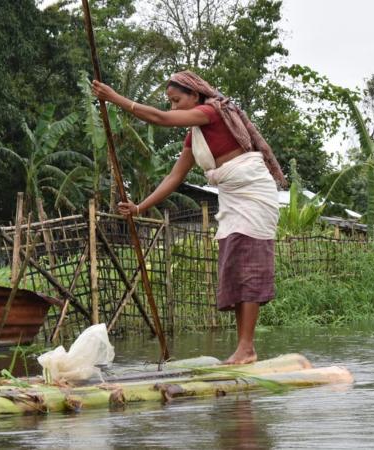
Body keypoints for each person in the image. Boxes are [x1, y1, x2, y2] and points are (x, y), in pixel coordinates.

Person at [91, 70, 287, 365]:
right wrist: (139, 207)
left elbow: (160, 119)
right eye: (169, 102)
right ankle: (243, 347)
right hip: (232, 198)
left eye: (176, 100)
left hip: (254, 193)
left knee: (249, 265)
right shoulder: (194, 137)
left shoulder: (210, 112)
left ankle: (247, 348)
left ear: (195, 96)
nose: (173, 107)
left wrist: (115, 99)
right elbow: (174, 177)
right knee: (234, 265)